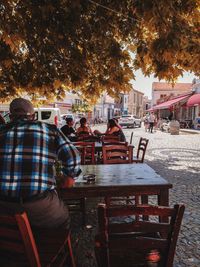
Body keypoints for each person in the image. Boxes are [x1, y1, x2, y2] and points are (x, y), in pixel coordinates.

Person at [0, 98, 81, 229]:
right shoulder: (49, 130)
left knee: (10, 227)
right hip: (39, 203)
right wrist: (70, 176)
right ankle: (49, 247)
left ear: (10, 116)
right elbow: (73, 155)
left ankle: (17, 244)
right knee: (63, 218)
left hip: (4, 204)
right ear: (33, 116)